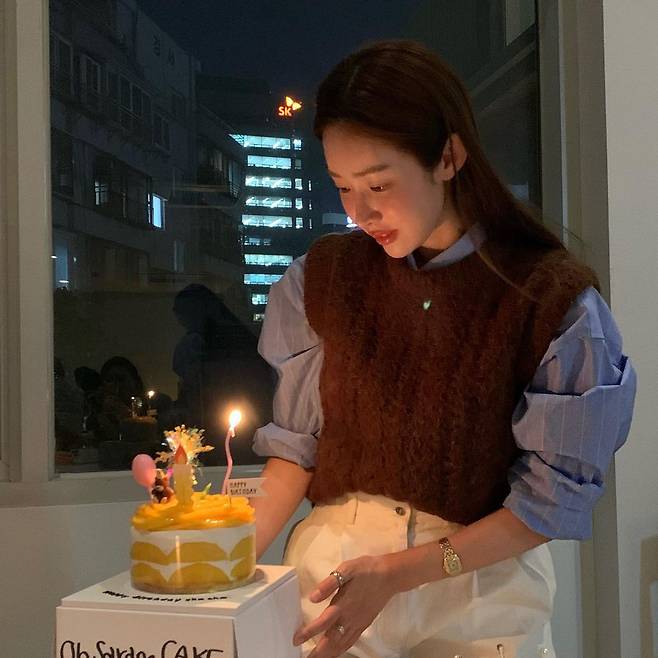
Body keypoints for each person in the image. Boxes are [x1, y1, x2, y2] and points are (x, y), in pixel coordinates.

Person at [251, 40, 636, 658]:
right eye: (343, 187)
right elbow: (296, 453)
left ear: (449, 157)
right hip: (335, 582)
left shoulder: (549, 300)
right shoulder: (321, 280)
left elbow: (548, 501)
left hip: (480, 588)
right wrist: (213, 559)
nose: (360, 212)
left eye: (378, 183)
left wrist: (399, 573)